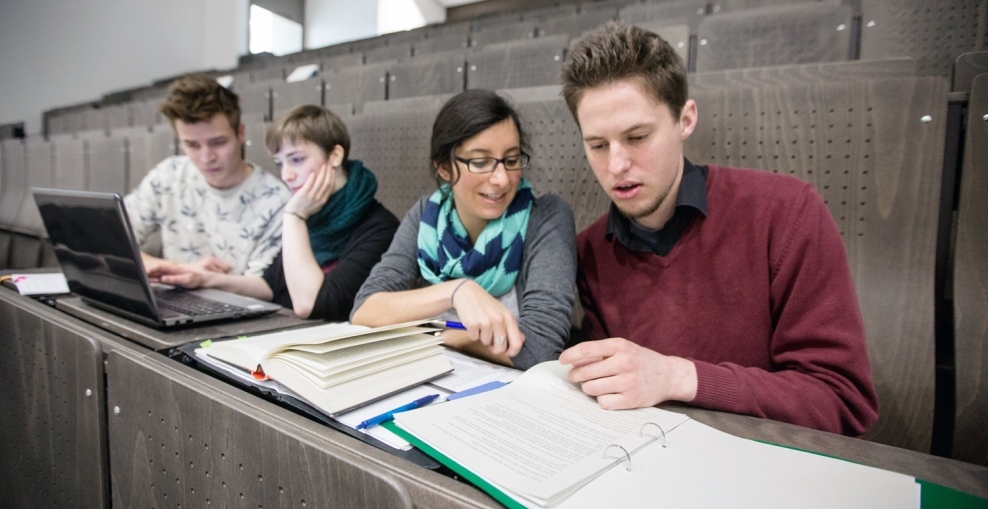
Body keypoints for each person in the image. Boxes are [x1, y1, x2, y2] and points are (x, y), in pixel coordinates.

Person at [557, 22, 878, 436]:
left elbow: (841, 401)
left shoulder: (786, 212)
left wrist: (679, 376)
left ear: (685, 120)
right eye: (597, 145)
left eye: (637, 137)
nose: (616, 165)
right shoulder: (590, 251)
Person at [351, 89, 577, 369]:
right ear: (444, 168)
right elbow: (365, 310)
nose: (501, 179)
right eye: (480, 162)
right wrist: (457, 290)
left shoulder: (545, 216)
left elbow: (538, 349)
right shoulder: (426, 216)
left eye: (511, 159)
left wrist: (443, 335)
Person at [148, 105, 399, 320]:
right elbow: (268, 285)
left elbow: (310, 305)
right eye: (280, 163)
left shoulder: (380, 228)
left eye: (297, 159)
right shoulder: (312, 214)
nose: (286, 175)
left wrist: (294, 218)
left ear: (334, 155)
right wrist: (202, 280)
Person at [125, 74, 290, 278]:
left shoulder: (275, 201)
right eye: (192, 145)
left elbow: (262, 290)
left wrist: (199, 278)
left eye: (218, 142)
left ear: (240, 133)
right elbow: (111, 242)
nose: (206, 157)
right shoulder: (168, 175)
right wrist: (180, 268)